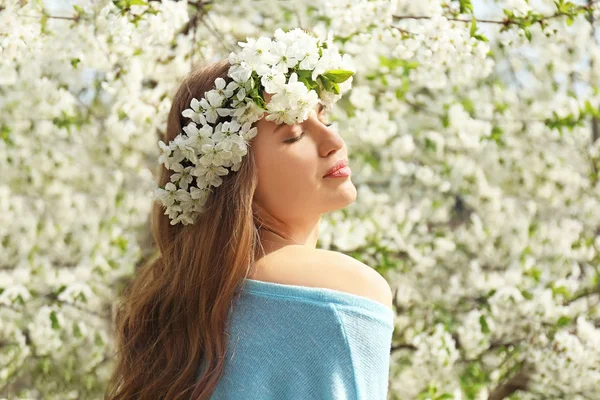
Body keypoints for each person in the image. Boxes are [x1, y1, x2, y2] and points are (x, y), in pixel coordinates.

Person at [105, 29, 394, 400]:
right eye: (292, 135)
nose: (334, 143)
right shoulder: (342, 294)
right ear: (236, 177)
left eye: (325, 119)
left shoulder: (176, 312)